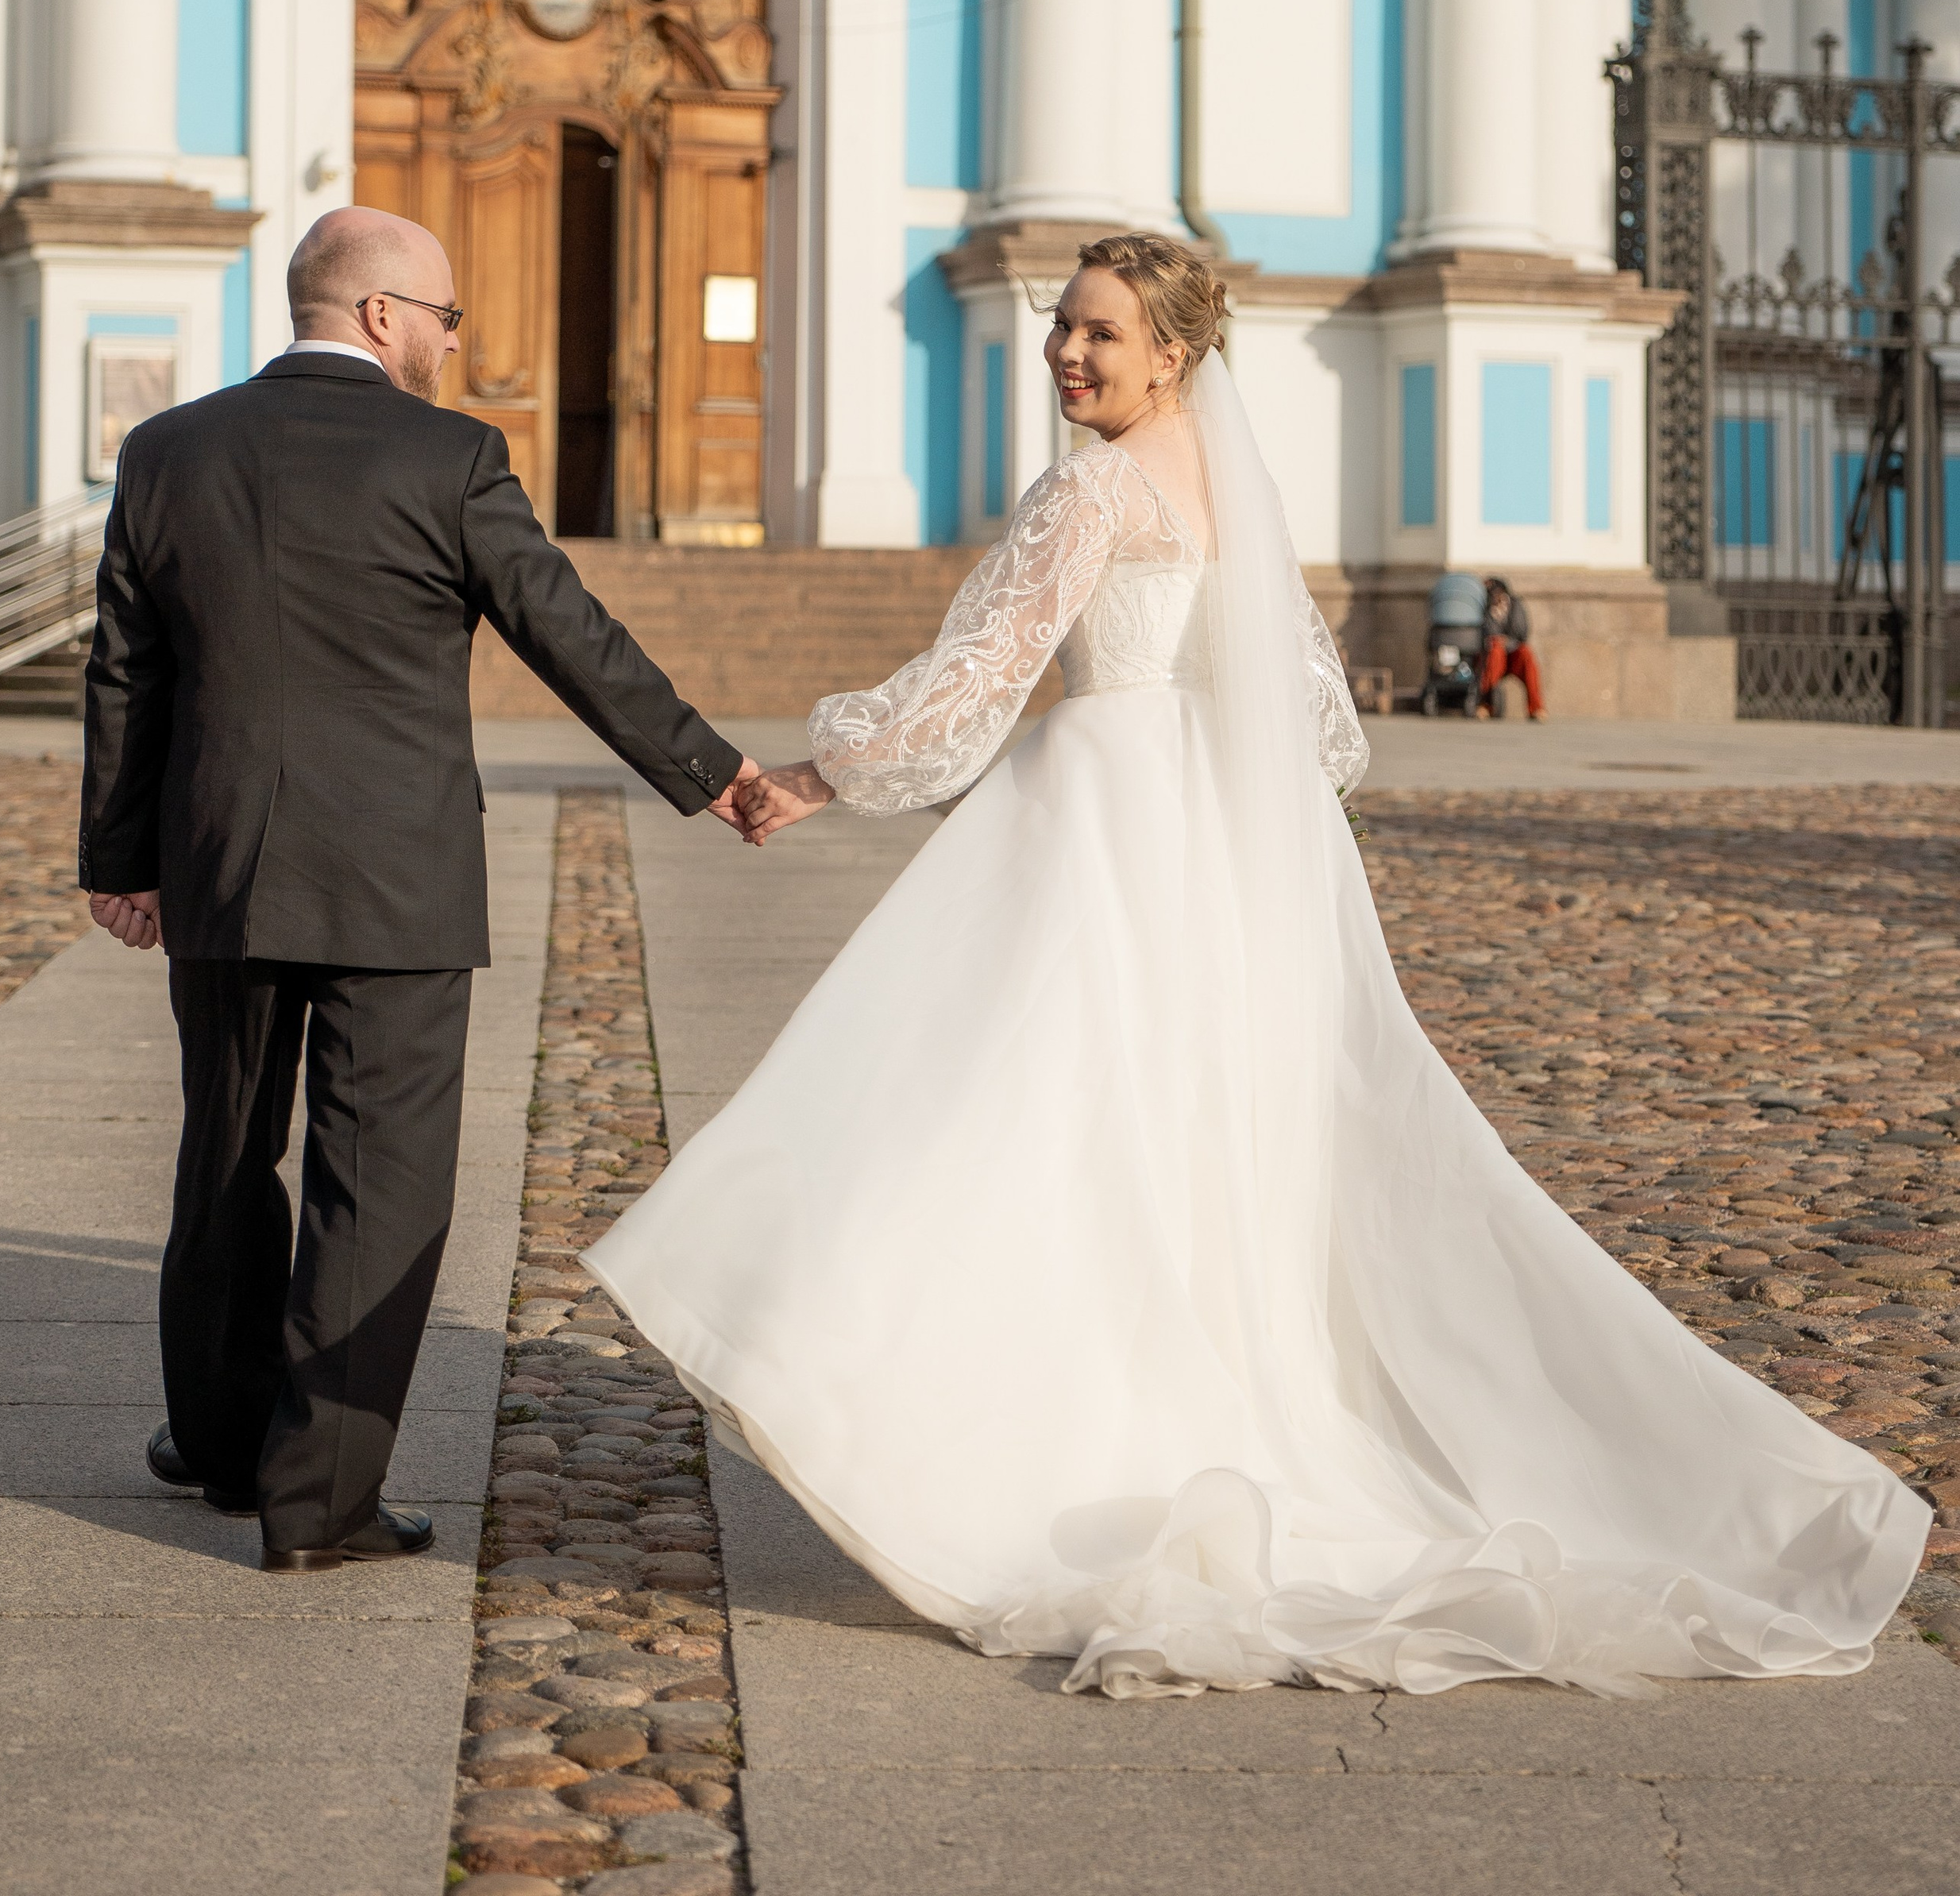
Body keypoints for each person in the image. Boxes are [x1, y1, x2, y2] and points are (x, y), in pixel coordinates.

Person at [587, 232, 1927, 1699]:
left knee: (1002, 1117)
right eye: (1062, 330)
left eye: (1099, 333)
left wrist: (818, 774)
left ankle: (962, 1416)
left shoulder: (1096, 485)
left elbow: (979, 676)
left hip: (1096, 821)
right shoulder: (1238, 487)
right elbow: (1320, 732)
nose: (1069, 356)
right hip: (1206, 845)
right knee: (1169, 1144)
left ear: (1173, 353)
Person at [79, 206, 763, 1571]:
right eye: (449, 317)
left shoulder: (167, 451)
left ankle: (219, 1446)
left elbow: (127, 669)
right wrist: (711, 769)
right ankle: (317, 1500)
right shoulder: (450, 457)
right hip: (396, 877)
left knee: (225, 1150)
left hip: (219, 865)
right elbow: (567, 631)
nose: (457, 342)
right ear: (383, 315)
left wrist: (122, 861)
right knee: (376, 1185)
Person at [1479, 574, 1545, 721]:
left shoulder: (1515, 605)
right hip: (1492, 655)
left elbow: (1522, 633)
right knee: (1495, 651)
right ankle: (1486, 704)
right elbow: (1484, 634)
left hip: (1512, 653)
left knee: (1526, 654)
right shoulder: (1484, 608)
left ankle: (1536, 708)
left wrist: (1506, 641)